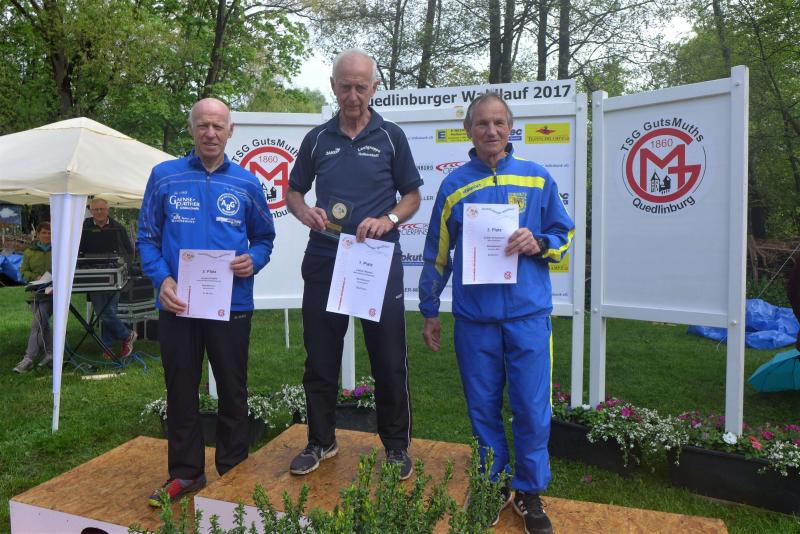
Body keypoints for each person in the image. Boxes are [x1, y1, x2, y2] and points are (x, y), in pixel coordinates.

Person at [418, 93, 574, 534]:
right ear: (468, 130)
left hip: (528, 316)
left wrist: (539, 242)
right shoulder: (453, 185)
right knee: (483, 408)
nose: (491, 131)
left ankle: (529, 490)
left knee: (531, 407)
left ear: (511, 128)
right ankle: (492, 484)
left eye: (499, 123)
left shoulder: (538, 178)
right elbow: (437, 254)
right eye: (482, 123)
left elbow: (563, 234)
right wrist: (430, 309)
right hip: (475, 319)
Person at [286, 49, 422, 480]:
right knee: (320, 357)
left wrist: (389, 220)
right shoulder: (317, 139)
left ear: (374, 87)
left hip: (375, 259)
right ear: (333, 86)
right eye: (345, 86)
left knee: (388, 356)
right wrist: (304, 211)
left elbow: (412, 196)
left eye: (361, 87)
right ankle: (321, 441)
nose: (352, 95)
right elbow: (293, 192)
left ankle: (396, 447)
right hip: (325, 256)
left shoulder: (391, 137)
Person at [137, 97, 276, 505]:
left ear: (230, 131)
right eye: (203, 125)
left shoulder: (247, 183)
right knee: (181, 389)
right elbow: (146, 237)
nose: (210, 133)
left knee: (232, 390)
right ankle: (186, 473)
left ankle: (233, 472)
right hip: (178, 304)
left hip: (231, 304)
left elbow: (264, 237)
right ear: (191, 129)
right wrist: (162, 278)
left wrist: (255, 259)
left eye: (218, 126)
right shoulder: (164, 176)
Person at [80, 197, 137, 358]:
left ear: (107, 210)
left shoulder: (118, 228)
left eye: (102, 209)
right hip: (93, 274)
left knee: (109, 310)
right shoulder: (83, 227)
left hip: (115, 274)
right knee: (102, 311)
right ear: (91, 211)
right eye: (96, 209)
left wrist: (125, 268)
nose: (99, 212)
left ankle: (108, 347)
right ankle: (127, 335)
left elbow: (129, 250)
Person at [13, 222, 53, 373]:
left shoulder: (58, 250)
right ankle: (51, 354)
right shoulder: (29, 251)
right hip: (34, 294)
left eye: (50, 233)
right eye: (44, 232)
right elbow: (23, 271)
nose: (47, 235)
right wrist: (35, 277)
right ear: (37, 234)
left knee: (37, 324)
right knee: (43, 325)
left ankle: (28, 358)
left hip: (51, 293)